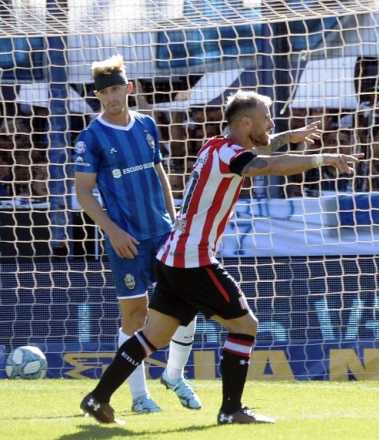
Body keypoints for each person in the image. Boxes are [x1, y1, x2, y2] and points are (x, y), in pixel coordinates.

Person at [80, 91, 358, 425]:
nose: (271, 123)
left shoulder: (216, 146)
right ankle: (231, 409)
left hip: (172, 257)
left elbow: (258, 152)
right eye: (267, 118)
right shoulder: (230, 154)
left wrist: (288, 138)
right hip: (193, 261)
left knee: (153, 336)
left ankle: (98, 398)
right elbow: (265, 165)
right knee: (246, 326)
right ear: (245, 123)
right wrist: (322, 159)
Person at [73, 55, 201, 413]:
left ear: (129, 88)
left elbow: (161, 175)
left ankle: (174, 376)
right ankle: (139, 397)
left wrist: (175, 220)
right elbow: (83, 192)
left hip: (162, 234)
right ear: (97, 96)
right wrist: (112, 231)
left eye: (116, 89)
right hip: (125, 241)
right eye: (104, 92)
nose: (112, 97)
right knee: (135, 317)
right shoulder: (90, 138)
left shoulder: (147, 125)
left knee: (185, 309)